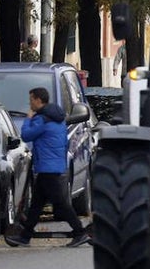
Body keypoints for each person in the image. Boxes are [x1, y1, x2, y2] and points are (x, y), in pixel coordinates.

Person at [5, 88, 90, 247]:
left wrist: (28, 119)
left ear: (38, 100)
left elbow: (27, 135)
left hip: (46, 167)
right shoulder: (58, 118)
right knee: (37, 204)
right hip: (55, 165)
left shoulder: (41, 120)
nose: (30, 104)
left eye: (31, 100)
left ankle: (80, 232)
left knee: (61, 203)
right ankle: (25, 236)